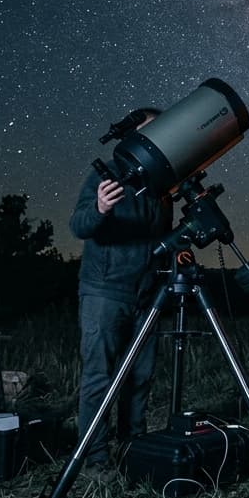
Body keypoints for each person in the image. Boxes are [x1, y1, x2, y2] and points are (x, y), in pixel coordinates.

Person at [69, 107, 173, 472]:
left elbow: (160, 237)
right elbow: (79, 225)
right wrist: (99, 207)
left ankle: (134, 451)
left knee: (140, 377)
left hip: (147, 295)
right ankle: (94, 459)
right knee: (100, 378)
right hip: (105, 292)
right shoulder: (109, 174)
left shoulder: (162, 187)